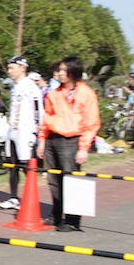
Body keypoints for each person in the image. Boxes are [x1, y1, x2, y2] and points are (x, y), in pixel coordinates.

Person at [36, 56, 100, 232]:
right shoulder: (54, 94)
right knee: (53, 180)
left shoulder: (86, 93)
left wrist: (83, 148)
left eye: (64, 70)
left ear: (73, 71)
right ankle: (56, 214)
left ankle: (72, 220)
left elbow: (92, 123)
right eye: (59, 70)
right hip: (52, 139)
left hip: (71, 140)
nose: (60, 74)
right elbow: (46, 119)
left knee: (72, 180)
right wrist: (42, 141)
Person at [0, 57, 44, 210]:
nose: (9, 71)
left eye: (12, 68)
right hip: (13, 130)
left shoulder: (31, 86)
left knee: (26, 165)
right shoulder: (14, 87)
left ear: (22, 68)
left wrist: (38, 129)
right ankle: (13, 198)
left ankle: (32, 198)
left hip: (26, 130)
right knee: (12, 164)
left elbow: (38, 108)